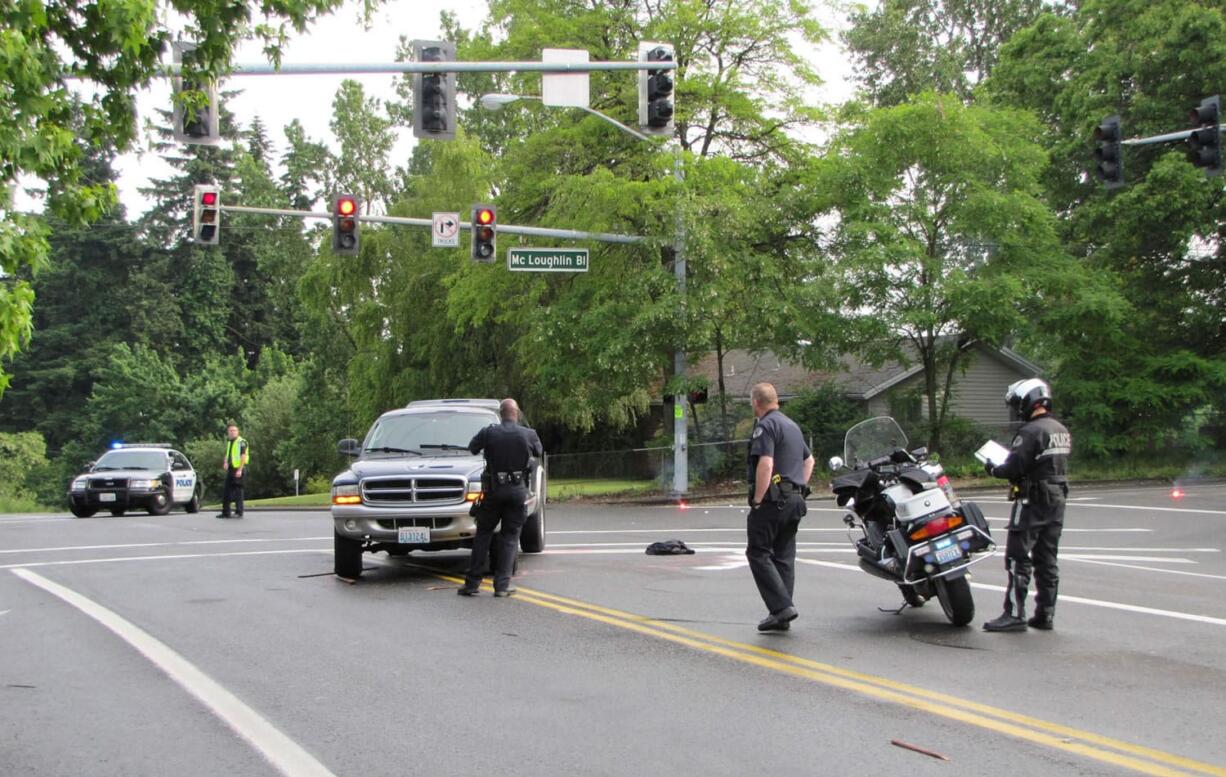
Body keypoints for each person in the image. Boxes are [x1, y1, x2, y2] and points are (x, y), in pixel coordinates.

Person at [982, 378, 1071, 632]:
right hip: (1057, 500)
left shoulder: (1031, 431)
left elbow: (1015, 467)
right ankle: (1046, 613)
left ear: (1027, 400)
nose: (1017, 409)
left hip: (1032, 499)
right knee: (1047, 558)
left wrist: (993, 468)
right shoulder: (1060, 429)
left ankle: (1014, 614)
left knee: (1017, 558)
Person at [745, 383, 815, 632]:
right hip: (795, 500)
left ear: (756, 402)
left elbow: (765, 463)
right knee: (784, 556)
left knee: (758, 552)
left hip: (774, 501)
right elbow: (809, 460)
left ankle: (781, 608)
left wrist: (758, 499)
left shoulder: (766, 426)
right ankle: (782, 614)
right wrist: (800, 487)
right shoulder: (792, 426)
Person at [458, 398, 543, 598]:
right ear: (517, 413)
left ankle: (472, 584)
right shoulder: (528, 434)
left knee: (483, 535)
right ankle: (502, 586)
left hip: (493, 491)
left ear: (500, 413)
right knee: (510, 538)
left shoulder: (489, 432)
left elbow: (472, 447)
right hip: (517, 491)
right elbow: (538, 451)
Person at [216, 423, 249, 519]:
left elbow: (243, 456)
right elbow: (228, 455)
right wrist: (225, 462)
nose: (232, 432)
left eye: (234, 430)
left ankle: (239, 511)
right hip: (231, 468)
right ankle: (226, 512)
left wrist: (240, 469)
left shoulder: (241, 442)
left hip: (239, 468)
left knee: (238, 491)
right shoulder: (230, 442)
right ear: (228, 432)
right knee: (227, 491)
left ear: (238, 432)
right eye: (230, 431)